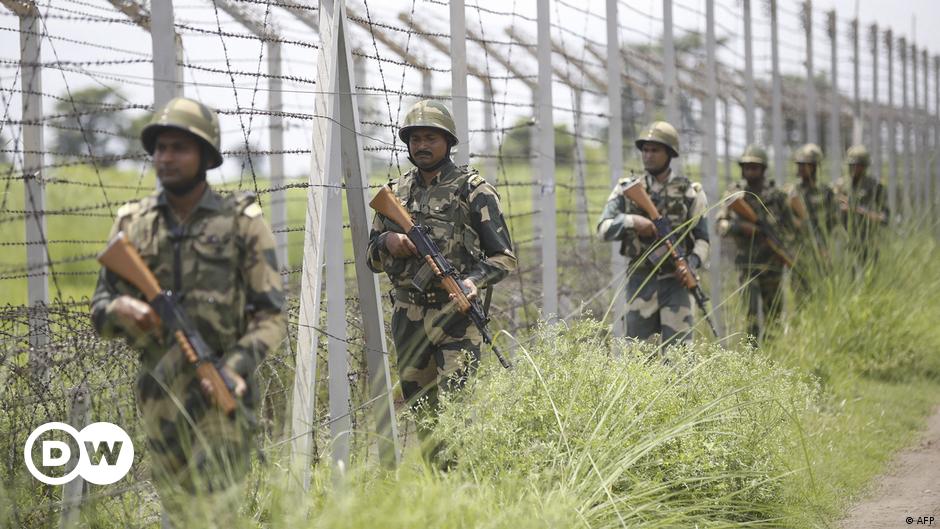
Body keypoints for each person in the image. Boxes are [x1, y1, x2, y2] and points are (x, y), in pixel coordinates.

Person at [90, 97, 286, 526]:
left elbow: (271, 315)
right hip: (160, 397)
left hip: (221, 392)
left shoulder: (241, 222)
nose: (166, 157)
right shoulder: (133, 224)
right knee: (176, 512)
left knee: (217, 512)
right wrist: (122, 308)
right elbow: (100, 312)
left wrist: (234, 368)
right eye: (160, 148)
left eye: (179, 147)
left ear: (205, 155)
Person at [366, 100, 516, 439]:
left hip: (457, 317)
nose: (421, 145)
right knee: (423, 416)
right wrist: (389, 242)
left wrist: (473, 282)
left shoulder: (473, 190)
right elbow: (370, 258)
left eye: (431, 138)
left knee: (456, 416)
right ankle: (436, 483)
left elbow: (504, 257)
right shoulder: (395, 194)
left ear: (448, 142)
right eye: (415, 138)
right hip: (409, 318)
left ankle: (460, 485)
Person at [597, 121, 709, 346]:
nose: (648, 155)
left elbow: (703, 239)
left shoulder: (690, 193)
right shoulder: (626, 189)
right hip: (640, 282)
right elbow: (603, 229)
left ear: (669, 154)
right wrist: (633, 221)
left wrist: (691, 263)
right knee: (637, 359)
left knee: (679, 361)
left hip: (676, 285)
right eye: (645, 150)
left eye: (655, 150)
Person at [717, 144, 794, 340]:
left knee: (774, 317)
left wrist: (783, 248)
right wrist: (741, 227)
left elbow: (790, 229)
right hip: (747, 265)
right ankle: (752, 358)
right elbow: (720, 225)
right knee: (750, 315)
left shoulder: (776, 197)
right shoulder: (734, 194)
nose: (750, 170)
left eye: (755, 167)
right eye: (747, 166)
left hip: (772, 266)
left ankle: (773, 357)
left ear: (763, 169)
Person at [787, 143, 837, 299]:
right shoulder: (792, 193)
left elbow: (833, 223)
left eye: (804, 165)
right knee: (801, 295)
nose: (800, 168)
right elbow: (786, 221)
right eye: (799, 164)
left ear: (815, 166)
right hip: (800, 251)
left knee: (825, 293)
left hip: (823, 250)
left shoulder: (826, 192)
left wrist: (828, 248)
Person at [835, 144, 888, 260]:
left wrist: (857, 210)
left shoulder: (875, 186)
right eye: (852, 165)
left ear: (865, 167)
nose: (855, 169)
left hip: (868, 242)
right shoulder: (840, 186)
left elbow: (884, 219)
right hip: (845, 244)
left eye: (858, 165)